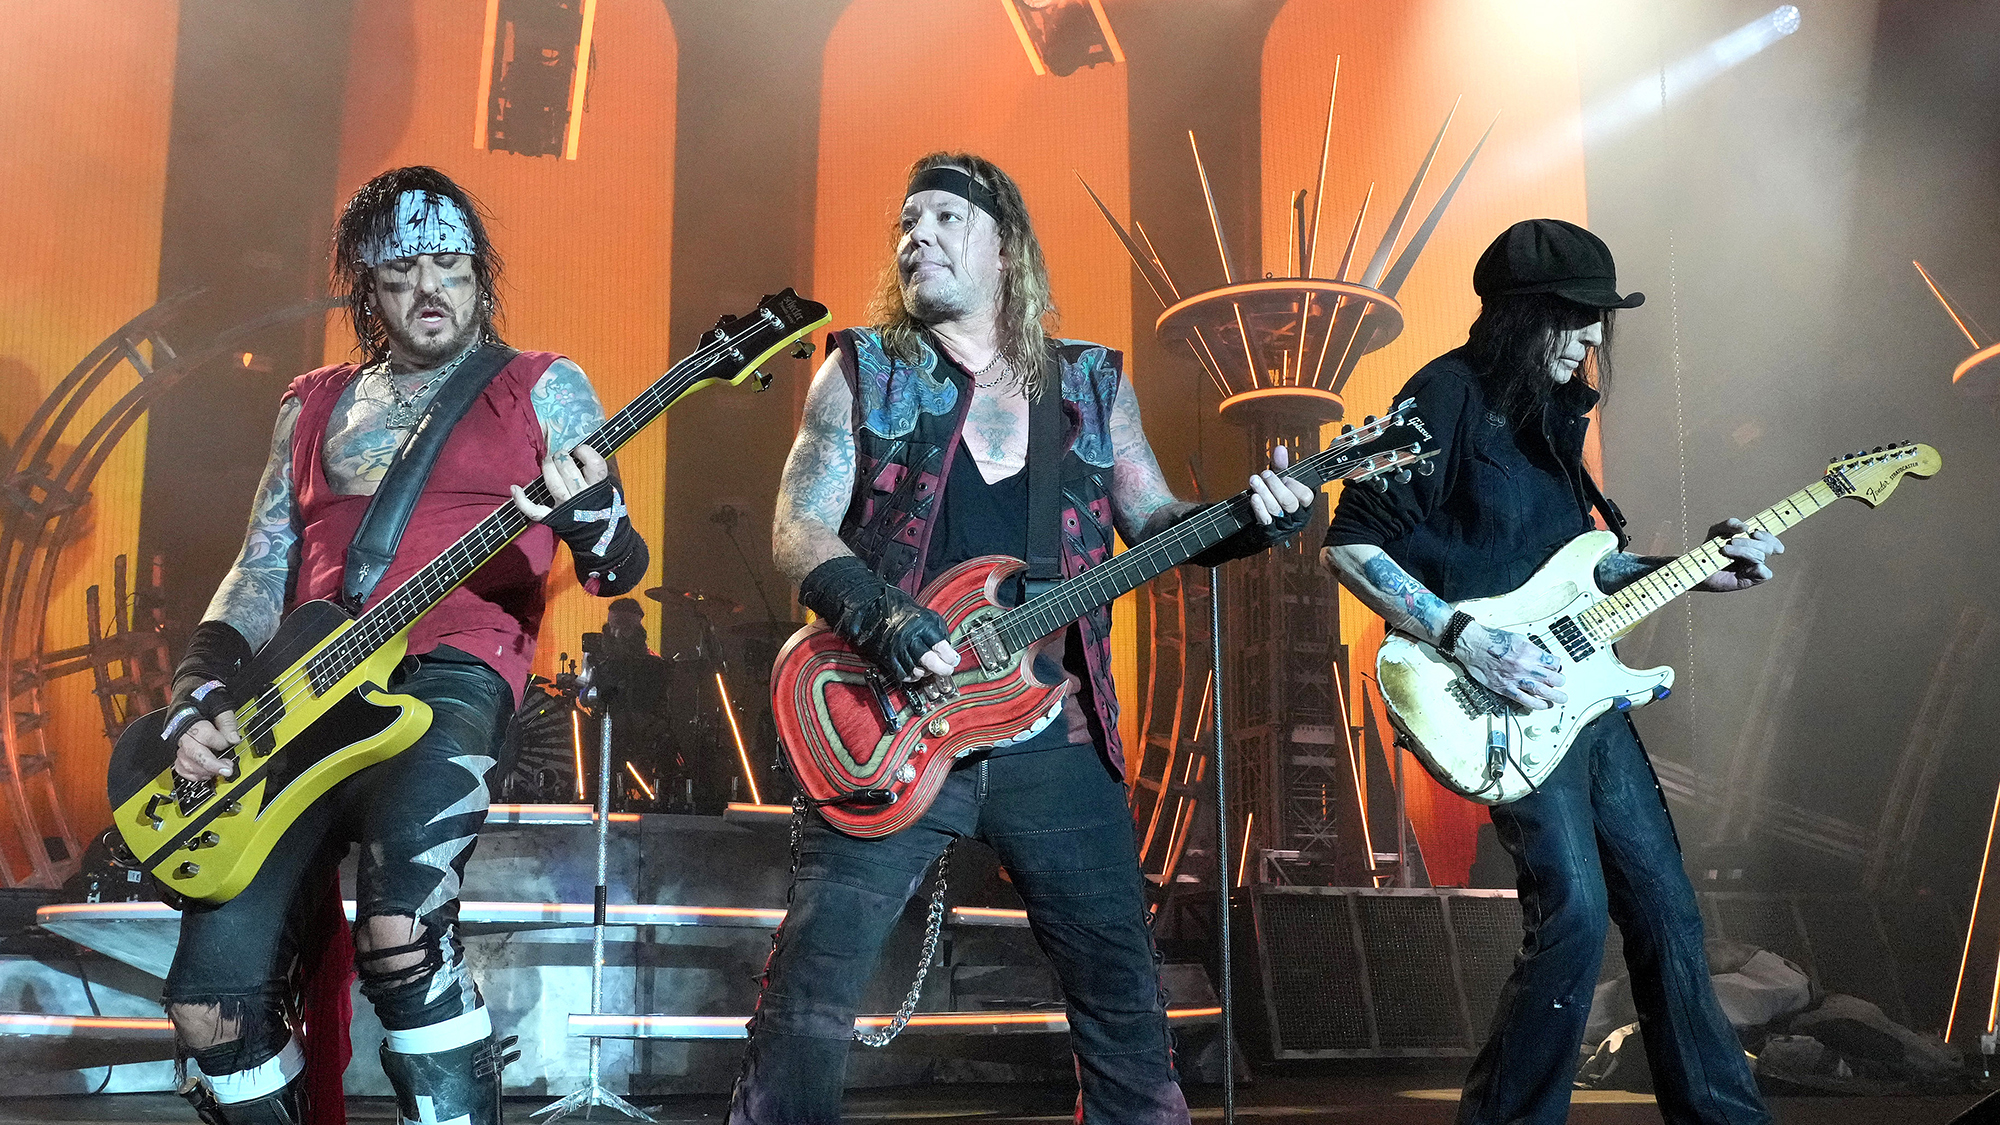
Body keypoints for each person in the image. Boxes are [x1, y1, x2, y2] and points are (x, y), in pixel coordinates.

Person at [729, 152, 1315, 1123]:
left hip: (1059, 733)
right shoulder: (860, 373)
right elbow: (798, 530)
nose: (914, 234)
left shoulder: (1087, 386)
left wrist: (1253, 519)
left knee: (1122, 1001)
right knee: (811, 993)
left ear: (1005, 248)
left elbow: (1156, 519)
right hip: (892, 725)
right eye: (904, 223)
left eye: (944, 218)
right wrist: (880, 616)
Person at [158, 166, 648, 1125]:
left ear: (480, 276)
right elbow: (262, 564)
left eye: (452, 267)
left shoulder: (542, 386)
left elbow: (615, 569)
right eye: (403, 272)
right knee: (209, 1001)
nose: (431, 288)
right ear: (366, 290)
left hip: (450, 675)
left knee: (400, 931)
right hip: (296, 695)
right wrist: (196, 688)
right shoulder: (311, 402)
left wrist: (594, 517)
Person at [1321, 218, 1778, 1125]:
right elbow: (1349, 542)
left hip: (1584, 696)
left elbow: (1581, 568)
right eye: (1575, 316)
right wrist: (1466, 638)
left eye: (1600, 318)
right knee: (1572, 911)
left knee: (1669, 916)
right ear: (1521, 316)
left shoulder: (1556, 419)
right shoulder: (1444, 396)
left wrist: (1694, 567)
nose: (1593, 337)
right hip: (1498, 694)